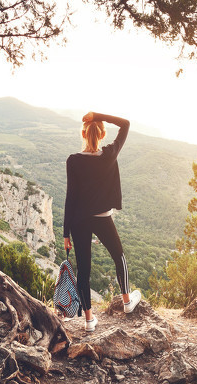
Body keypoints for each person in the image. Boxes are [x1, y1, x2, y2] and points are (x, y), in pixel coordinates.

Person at [63, 111, 141, 332]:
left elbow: (71, 197)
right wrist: (97, 114)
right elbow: (125, 124)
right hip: (103, 219)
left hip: (78, 221)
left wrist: (66, 233)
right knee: (119, 256)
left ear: (83, 133)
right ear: (103, 133)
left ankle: (89, 320)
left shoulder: (74, 160)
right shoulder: (110, 154)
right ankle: (127, 301)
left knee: (84, 270)